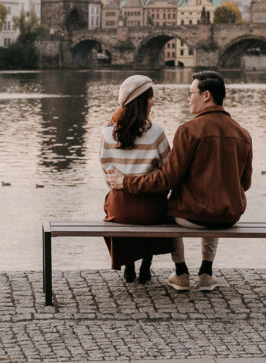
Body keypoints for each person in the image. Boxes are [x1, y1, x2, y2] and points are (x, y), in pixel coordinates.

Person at [105, 70, 252, 293]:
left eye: (191, 92)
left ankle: (181, 272)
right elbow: (246, 183)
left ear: (206, 96)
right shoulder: (243, 134)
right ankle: (206, 272)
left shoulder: (188, 130)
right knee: (215, 202)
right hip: (229, 216)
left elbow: (167, 180)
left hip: (191, 218)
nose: (188, 98)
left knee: (169, 207)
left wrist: (127, 182)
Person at [99, 75, 184, 283]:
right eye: (150, 98)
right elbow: (168, 172)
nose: (152, 103)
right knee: (153, 209)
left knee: (112, 201)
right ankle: (146, 262)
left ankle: (129, 263)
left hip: (120, 208)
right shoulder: (156, 132)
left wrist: (121, 184)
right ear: (140, 101)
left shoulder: (106, 133)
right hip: (151, 206)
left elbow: (106, 175)